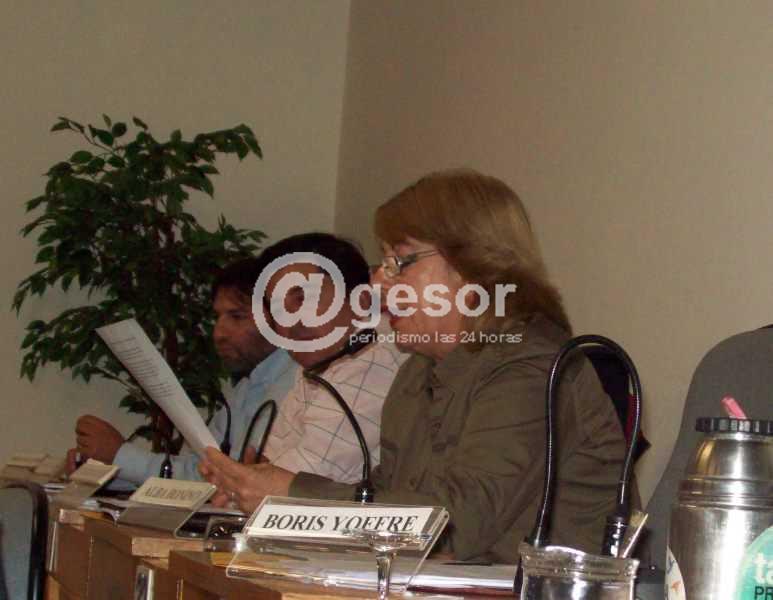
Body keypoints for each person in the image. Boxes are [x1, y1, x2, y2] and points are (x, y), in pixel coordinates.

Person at [200, 171, 629, 563]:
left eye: (400, 263)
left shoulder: (530, 367)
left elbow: (451, 529)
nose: (377, 282)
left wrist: (292, 493)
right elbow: (386, 503)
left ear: (473, 267)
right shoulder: (417, 370)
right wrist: (273, 502)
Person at [201, 233, 406, 508]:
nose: (291, 321)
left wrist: (242, 483)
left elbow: (291, 487)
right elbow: (264, 468)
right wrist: (245, 480)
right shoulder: (319, 364)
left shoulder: (373, 358)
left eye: (304, 299)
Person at [66, 257, 297, 485]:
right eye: (217, 317)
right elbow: (196, 470)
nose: (219, 333)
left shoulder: (296, 388)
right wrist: (107, 472)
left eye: (237, 316)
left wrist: (120, 456)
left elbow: (222, 483)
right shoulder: (247, 387)